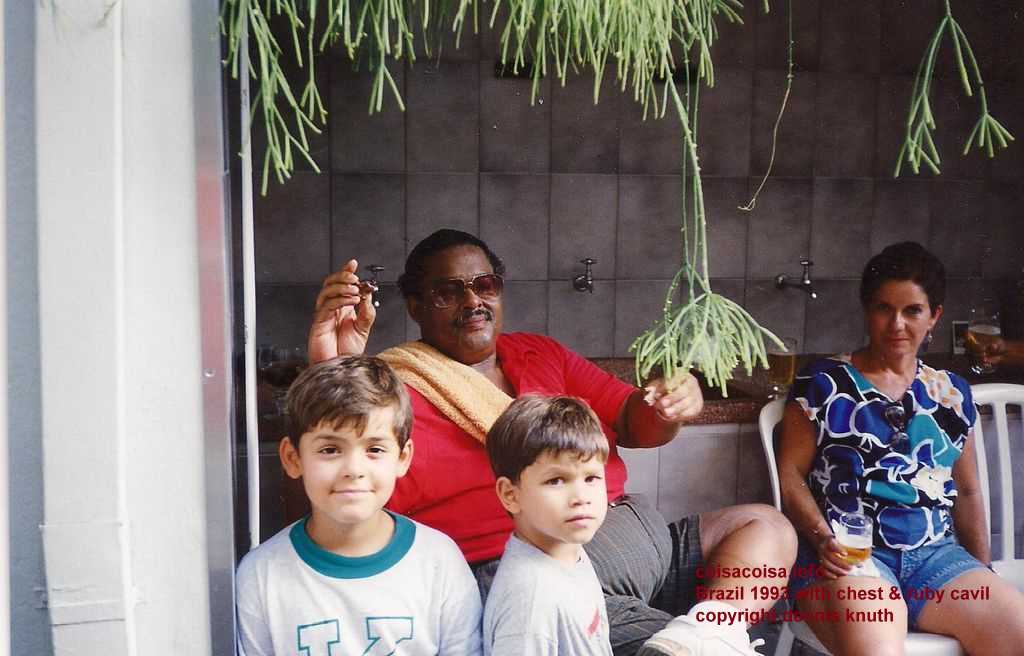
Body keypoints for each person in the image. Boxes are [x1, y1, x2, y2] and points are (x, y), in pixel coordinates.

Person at [308, 229, 796, 656]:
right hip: (541, 567)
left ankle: (707, 631)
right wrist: (333, 373)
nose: (472, 301)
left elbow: (633, 421)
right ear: (415, 307)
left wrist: (668, 405)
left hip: (634, 543)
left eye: (485, 285)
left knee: (764, 527)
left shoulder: (539, 352)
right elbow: (331, 495)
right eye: (447, 293)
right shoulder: (392, 391)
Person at [777, 241, 1024, 655]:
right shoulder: (823, 383)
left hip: (936, 560)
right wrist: (822, 539)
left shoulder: (952, 393)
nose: (896, 324)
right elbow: (789, 475)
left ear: (934, 317)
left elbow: (967, 491)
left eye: (912, 311)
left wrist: (981, 570)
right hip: (847, 556)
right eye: (882, 308)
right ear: (866, 311)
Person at [235, 356, 482, 656]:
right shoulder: (261, 575)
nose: (354, 469)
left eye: (374, 449)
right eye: (330, 449)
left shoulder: (439, 563)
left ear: (402, 458)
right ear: (292, 458)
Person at [483, 395, 614, 656]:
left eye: (591, 478)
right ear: (511, 495)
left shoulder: (567, 550)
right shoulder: (531, 602)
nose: (580, 497)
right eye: (556, 480)